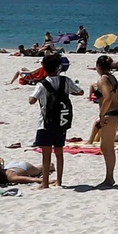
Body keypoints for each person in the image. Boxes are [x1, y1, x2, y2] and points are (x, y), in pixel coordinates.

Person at [28, 53, 77, 189]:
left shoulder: (42, 84)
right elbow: (80, 92)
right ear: (58, 67)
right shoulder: (65, 81)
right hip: (61, 121)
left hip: (45, 123)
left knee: (46, 154)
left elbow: (31, 100)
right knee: (59, 152)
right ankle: (59, 180)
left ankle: (45, 182)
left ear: (44, 67)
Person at [91, 55, 118, 188]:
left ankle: (109, 178)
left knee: (107, 148)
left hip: (110, 115)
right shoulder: (112, 77)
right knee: (106, 147)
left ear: (98, 66)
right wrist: (117, 105)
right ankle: (109, 177)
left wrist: (102, 113)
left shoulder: (102, 79)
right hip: (117, 114)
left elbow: (107, 97)